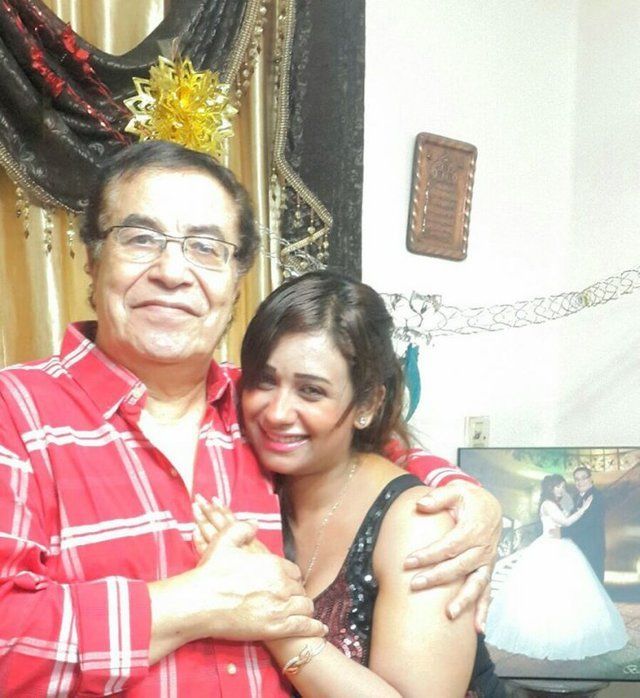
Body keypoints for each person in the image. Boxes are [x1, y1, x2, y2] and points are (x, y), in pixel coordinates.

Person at [0, 140, 501, 696]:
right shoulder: (14, 413)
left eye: (206, 247)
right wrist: (199, 603)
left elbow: (360, 444)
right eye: (141, 238)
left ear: (236, 283)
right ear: (92, 259)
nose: (172, 271)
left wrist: (466, 495)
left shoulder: (253, 404)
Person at [194, 271, 503, 697]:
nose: (277, 412)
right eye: (265, 380)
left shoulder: (418, 525)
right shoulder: (252, 475)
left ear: (367, 404)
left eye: (311, 391)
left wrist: (276, 620)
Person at [484, 474, 627, 661]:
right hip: (550, 546)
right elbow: (565, 522)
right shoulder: (548, 504)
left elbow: (562, 524)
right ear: (551, 488)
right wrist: (583, 509)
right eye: (559, 487)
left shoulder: (554, 504)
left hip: (560, 543)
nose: (562, 490)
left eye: (563, 487)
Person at [562, 466, 606, 582]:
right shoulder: (576, 497)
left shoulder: (596, 496)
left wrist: (561, 532)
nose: (580, 482)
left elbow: (587, 523)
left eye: (583, 478)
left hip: (592, 548)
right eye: (577, 479)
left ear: (591, 478)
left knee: (593, 584)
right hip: (578, 547)